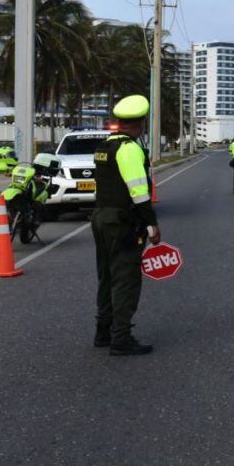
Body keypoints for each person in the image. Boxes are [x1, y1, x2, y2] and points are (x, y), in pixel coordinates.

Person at [91, 95, 161, 356]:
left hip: (100, 217)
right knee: (125, 279)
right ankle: (121, 337)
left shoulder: (103, 146)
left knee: (106, 276)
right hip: (121, 221)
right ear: (140, 123)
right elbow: (139, 192)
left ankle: (103, 331)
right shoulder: (130, 149)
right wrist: (152, 224)